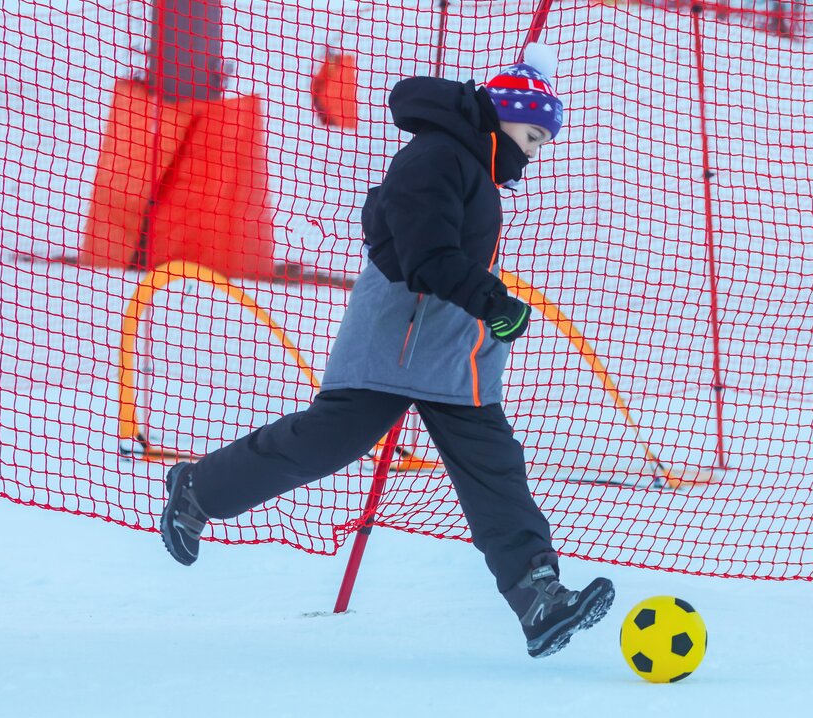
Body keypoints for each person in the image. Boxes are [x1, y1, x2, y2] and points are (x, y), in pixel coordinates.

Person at [158, 43, 615, 659]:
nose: (530, 158)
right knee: (328, 442)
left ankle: (538, 596)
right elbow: (427, 258)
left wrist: (485, 311)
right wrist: (496, 303)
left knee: (492, 467)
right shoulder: (437, 157)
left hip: (451, 349)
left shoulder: (467, 163)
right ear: (503, 114)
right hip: (395, 338)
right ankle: (199, 491)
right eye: (531, 139)